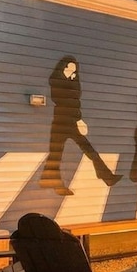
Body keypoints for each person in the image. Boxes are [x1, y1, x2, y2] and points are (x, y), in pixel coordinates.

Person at [40, 56, 121, 195]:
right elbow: (62, 100)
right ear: (64, 66)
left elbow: (76, 99)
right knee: (56, 154)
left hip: (72, 121)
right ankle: (52, 182)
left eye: (75, 68)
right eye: (70, 67)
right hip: (61, 122)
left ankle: (107, 176)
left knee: (88, 149)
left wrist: (73, 83)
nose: (73, 70)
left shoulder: (73, 80)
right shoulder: (55, 80)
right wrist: (78, 119)